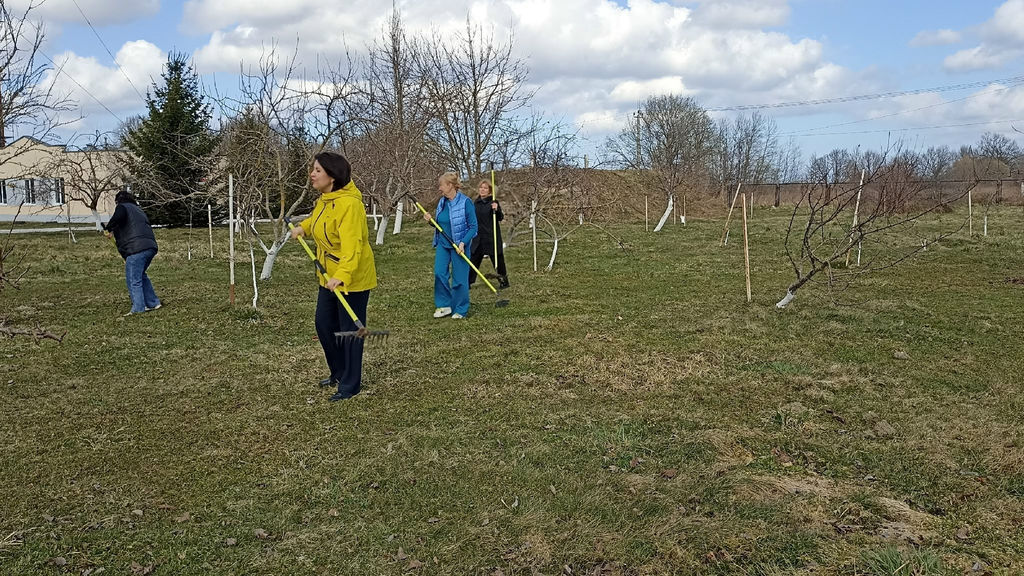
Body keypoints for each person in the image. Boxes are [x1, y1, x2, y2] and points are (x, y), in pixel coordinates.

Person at [290, 152, 377, 402]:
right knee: (325, 325)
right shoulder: (325, 200)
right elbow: (317, 221)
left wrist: (342, 275)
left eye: (318, 170)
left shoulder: (350, 204)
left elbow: (353, 246)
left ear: (332, 175)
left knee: (349, 332)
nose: (312, 174)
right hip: (327, 276)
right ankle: (338, 372)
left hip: (351, 279)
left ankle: (351, 384)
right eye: (313, 169)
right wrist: (303, 228)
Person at [424, 172, 477, 319]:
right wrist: (430, 221)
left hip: (459, 245)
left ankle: (460, 309)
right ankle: (444, 305)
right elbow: (440, 223)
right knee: (439, 273)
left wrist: (463, 243)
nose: (439, 188)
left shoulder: (465, 202)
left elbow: (473, 227)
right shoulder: (442, 202)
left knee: (459, 279)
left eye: (441, 185)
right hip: (443, 244)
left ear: (450, 185)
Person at [103, 190, 161, 316]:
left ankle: (138, 308)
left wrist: (108, 227)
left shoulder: (122, 207)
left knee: (133, 279)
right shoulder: (138, 210)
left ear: (118, 201)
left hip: (136, 248)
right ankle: (153, 302)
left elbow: (118, 218)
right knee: (140, 275)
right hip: (150, 247)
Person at [468, 180, 510, 289]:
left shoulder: (493, 202)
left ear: (490, 191)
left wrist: (496, 209)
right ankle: (468, 282)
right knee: (473, 259)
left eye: (485, 188)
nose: (482, 190)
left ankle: (504, 281)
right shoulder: (476, 203)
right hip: (478, 236)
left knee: (498, 259)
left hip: (491, 236)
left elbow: (500, 217)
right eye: (481, 187)